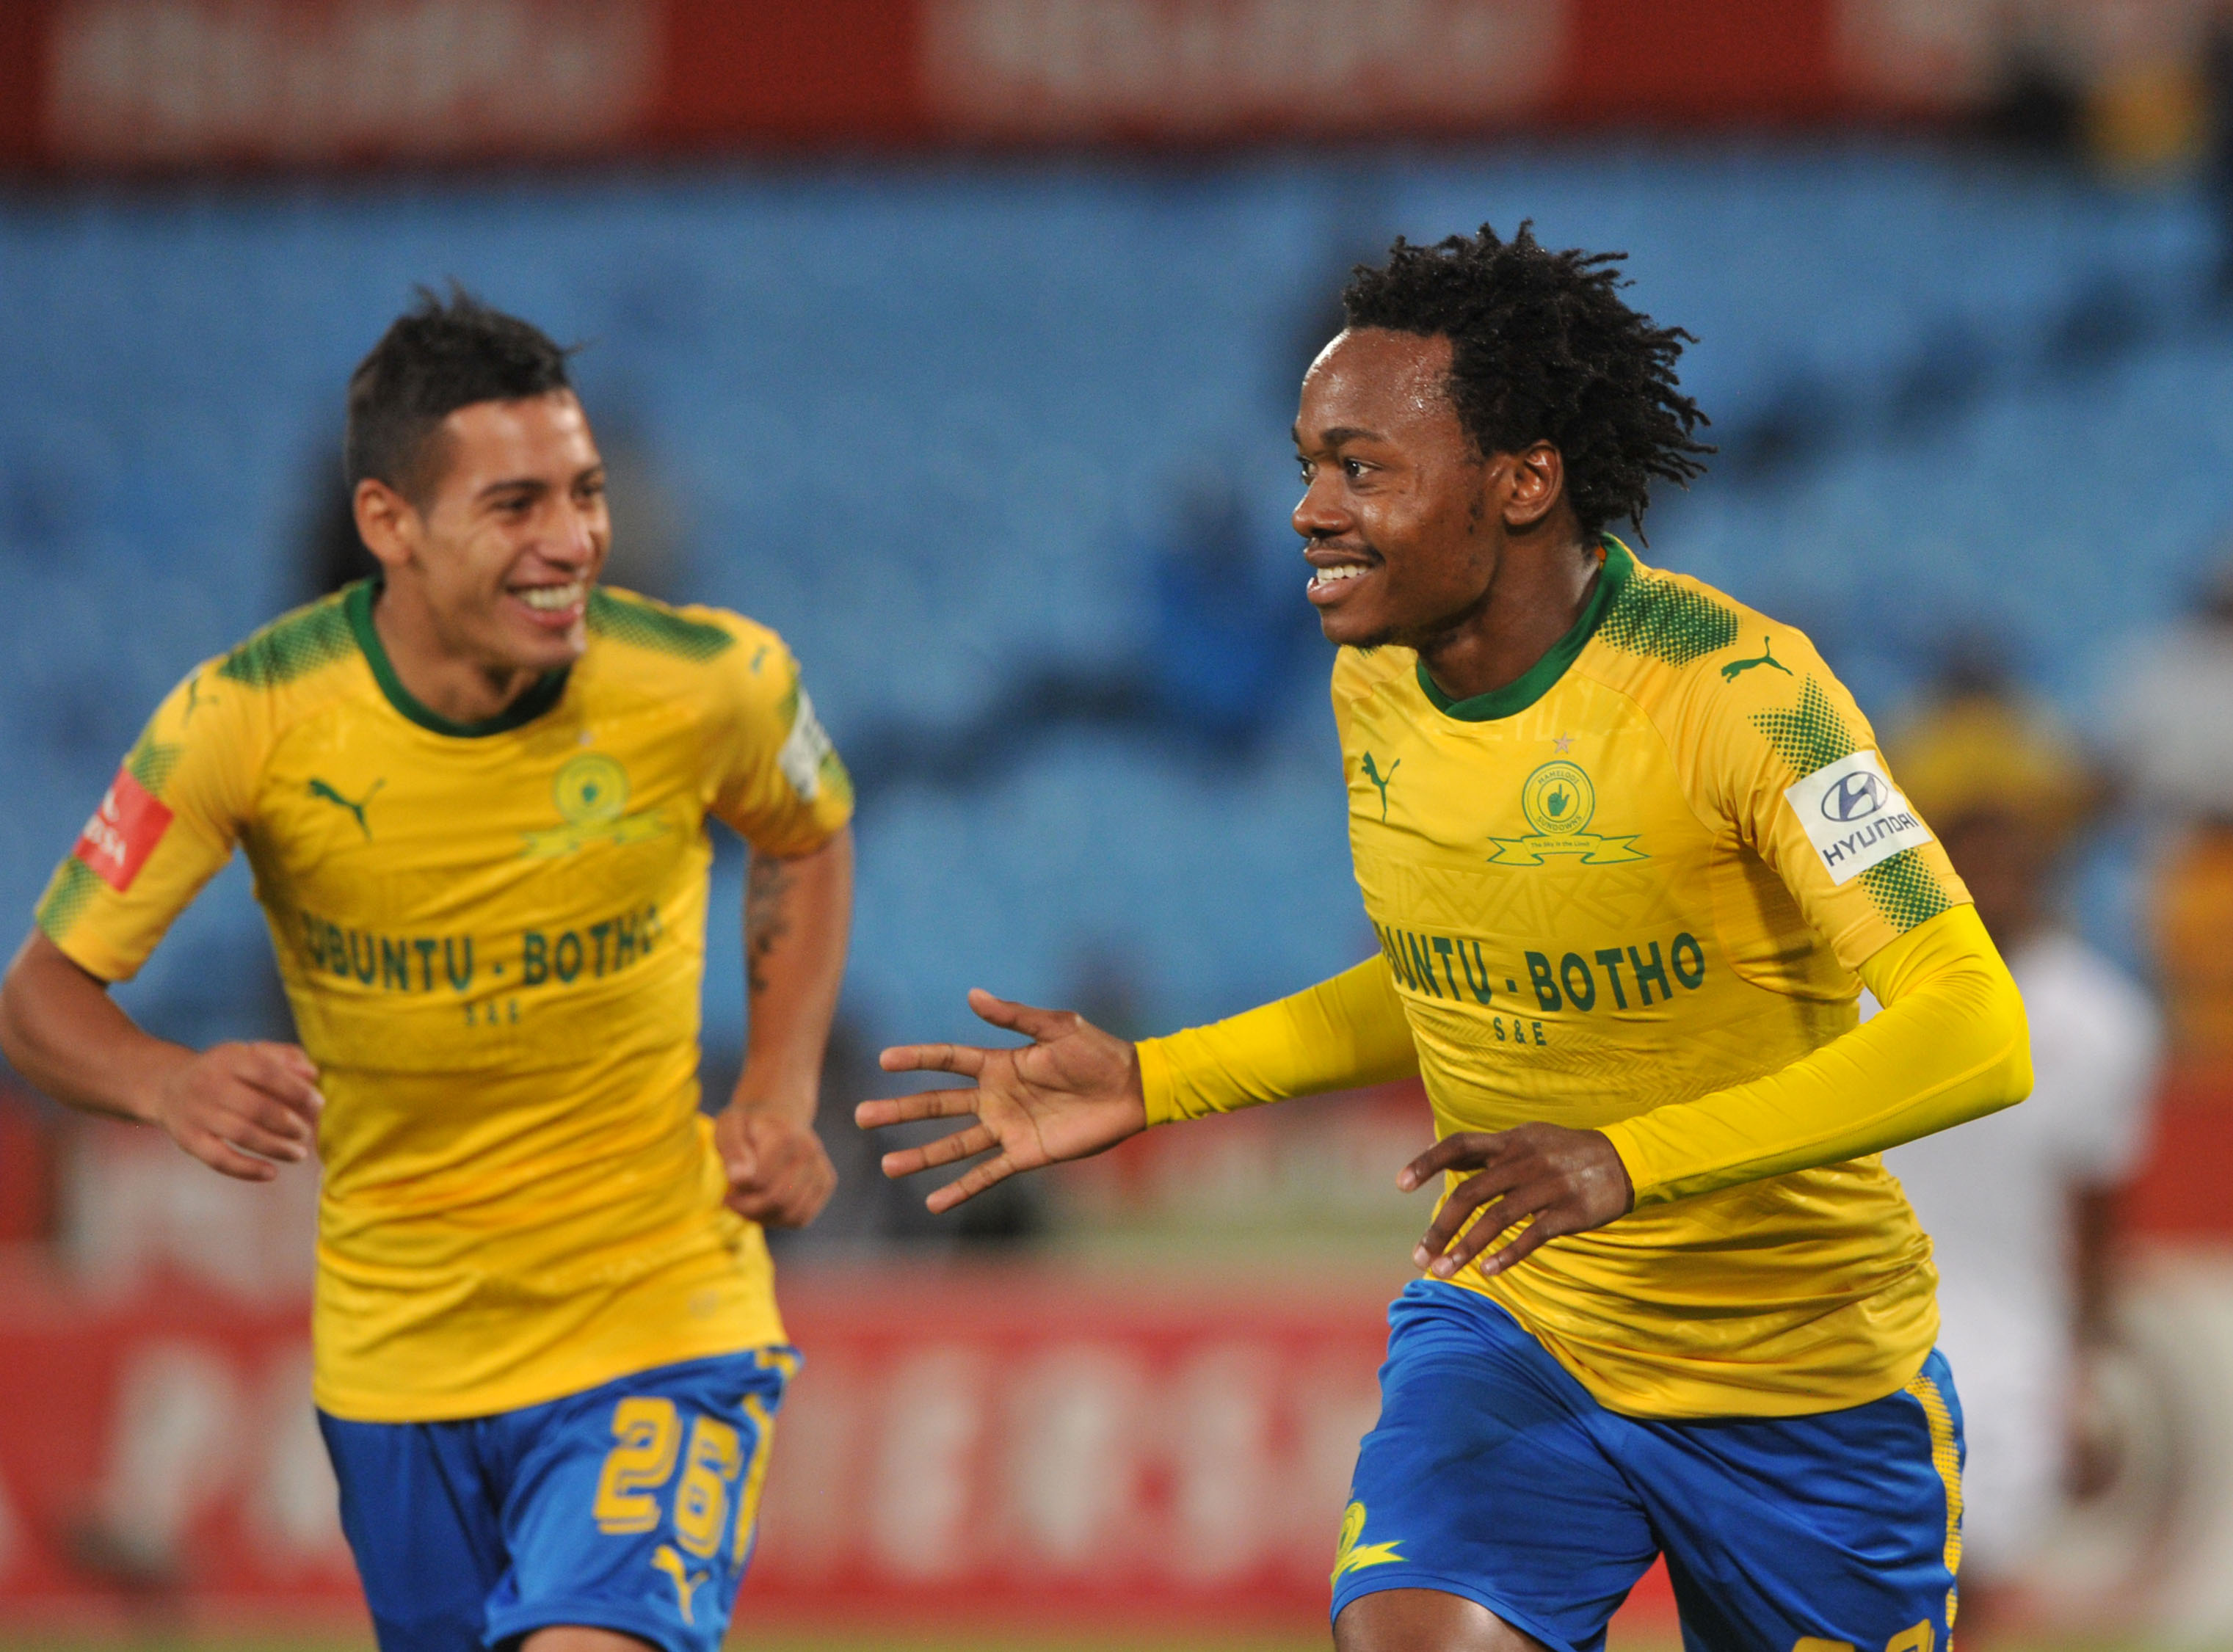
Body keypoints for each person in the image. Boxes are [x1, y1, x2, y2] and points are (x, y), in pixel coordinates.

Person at [858, 225, 2033, 1652]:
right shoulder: (1376, 687)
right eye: (1306, 463)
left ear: (1523, 480)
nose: (1308, 509)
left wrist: (1627, 1157)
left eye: (1362, 467)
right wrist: (1160, 1080)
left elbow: (1974, 1022)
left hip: (1804, 1381)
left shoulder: (1747, 697)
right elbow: (1461, 977)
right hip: (1518, 1334)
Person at [0, 290, 854, 1652]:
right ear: (389, 522)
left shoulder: (712, 684)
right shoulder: (248, 720)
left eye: (585, 492)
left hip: (662, 1318)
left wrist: (779, 1086)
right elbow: (39, 997)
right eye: (515, 505)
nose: (571, 541)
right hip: (400, 1362)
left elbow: (805, 838)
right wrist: (163, 1082)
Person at [1883, 686, 2158, 1630]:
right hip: (1863, 1336)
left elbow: (2096, 1215)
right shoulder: (1869, 995)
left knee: (1978, 1597)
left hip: (2012, 1359)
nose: (1991, 866)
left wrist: (2087, 1372)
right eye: (1970, 844)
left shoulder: (2101, 1019)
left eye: (2010, 844)